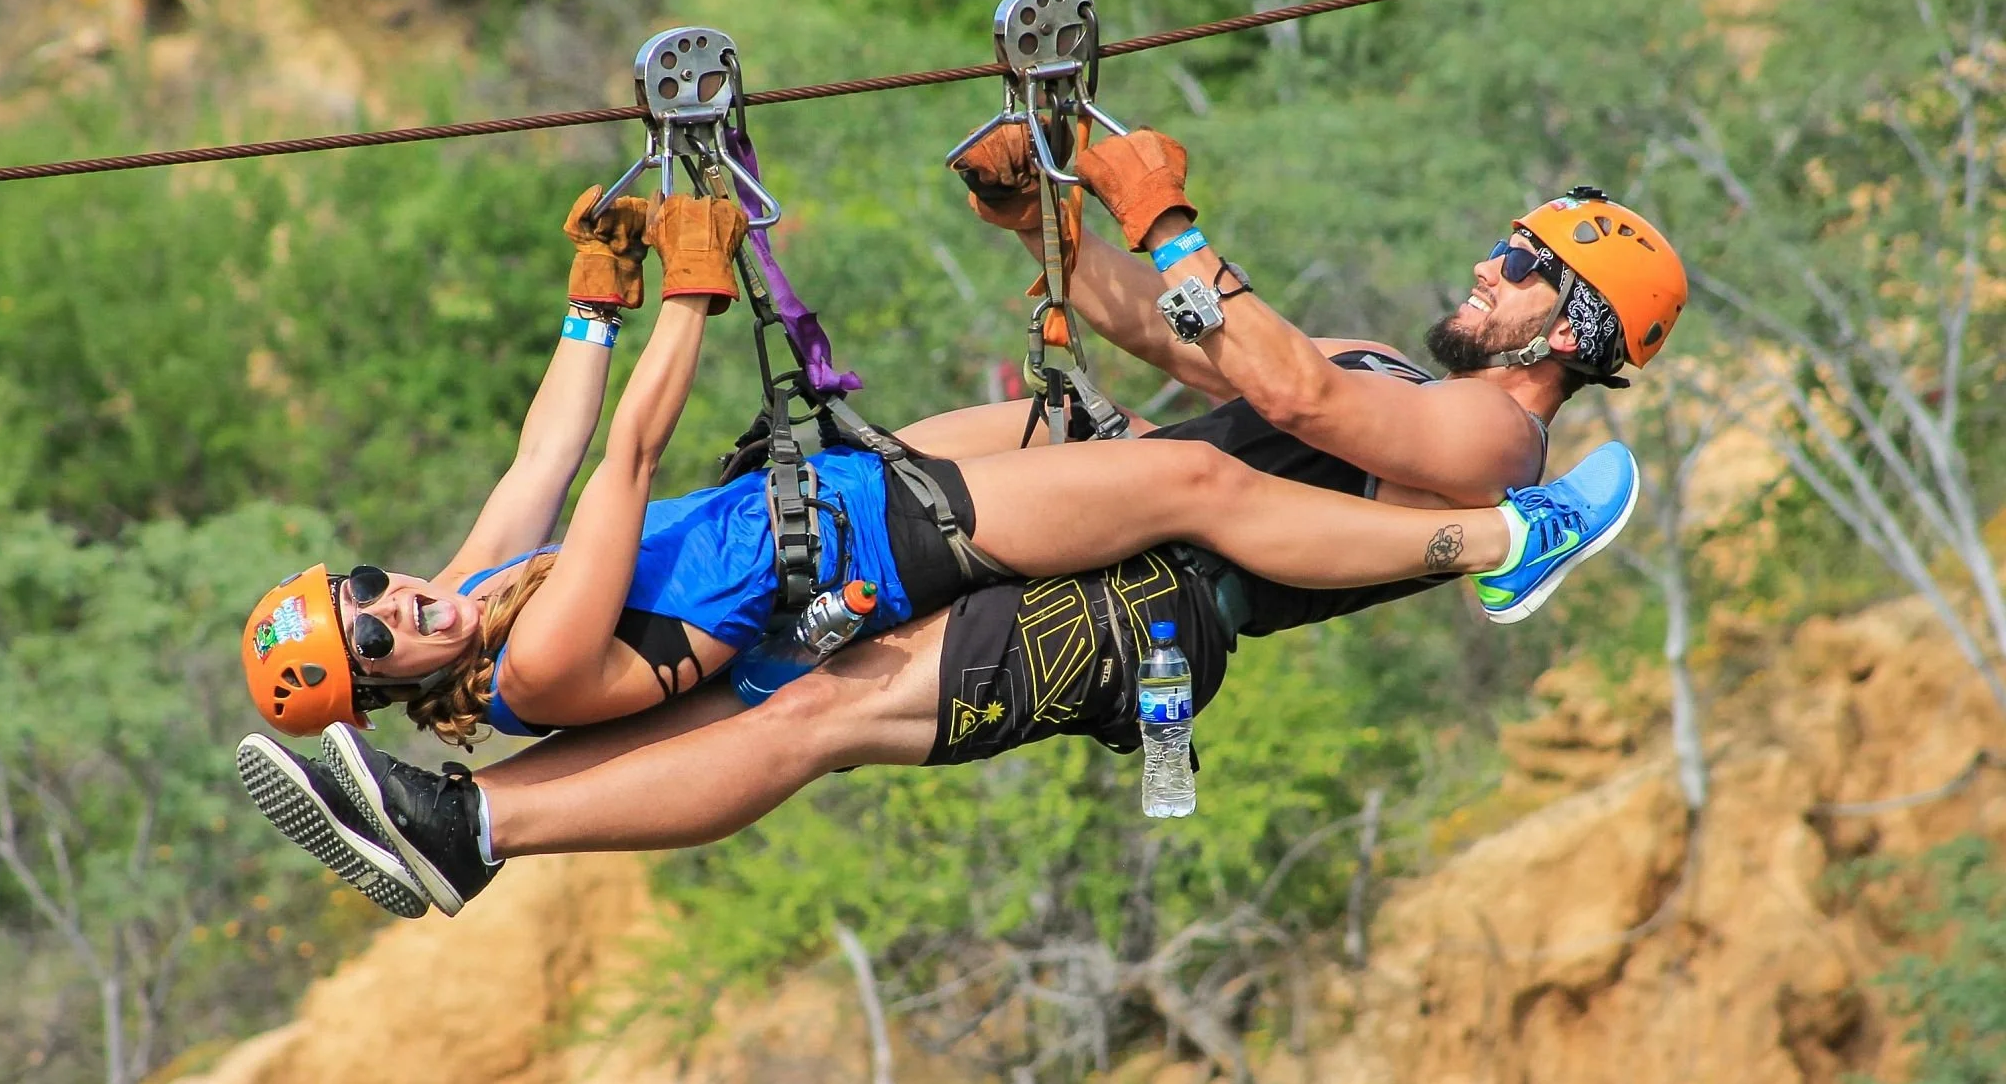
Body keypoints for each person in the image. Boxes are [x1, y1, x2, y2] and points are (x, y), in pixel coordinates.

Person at [234, 123, 1684, 920]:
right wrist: (1048, 225)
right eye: (1503, 248)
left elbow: (1286, 389)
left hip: (1146, 605)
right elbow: (1193, 355)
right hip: (1063, 577)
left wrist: (1170, 227)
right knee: (1095, 470)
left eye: (1521, 264)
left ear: (1578, 322)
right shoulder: (507, 620)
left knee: (1163, 487)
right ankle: (465, 827)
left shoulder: (1495, 428)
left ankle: (1520, 548)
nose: (1488, 271)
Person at [241, 175, 1633, 750]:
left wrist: (591, 298)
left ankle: (1484, 555)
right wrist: (688, 292)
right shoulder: (533, 662)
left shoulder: (486, 580)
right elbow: (617, 467)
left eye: (365, 586)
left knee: (1114, 441)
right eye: (377, 642)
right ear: (392, 692)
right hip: (875, 547)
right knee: (1189, 481)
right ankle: (1511, 551)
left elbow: (550, 443)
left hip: (844, 490)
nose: (397, 605)